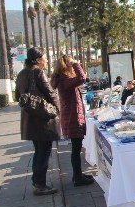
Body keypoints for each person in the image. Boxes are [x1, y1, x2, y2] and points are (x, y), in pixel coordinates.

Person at [14, 47, 60, 196]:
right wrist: (59, 109)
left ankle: (37, 181)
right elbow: (51, 94)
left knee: (38, 151)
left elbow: (17, 96)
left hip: (30, 119)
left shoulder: (21, 74)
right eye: (44, 58)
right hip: (42, 119)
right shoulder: (38, 72)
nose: (46, 61)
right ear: (38, 59)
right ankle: (40, 184)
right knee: (44, 152)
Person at [50, 55, 95, 187]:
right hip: (72, 117)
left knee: (77, 148)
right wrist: (76, 64)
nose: (73, 67)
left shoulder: (63, 79)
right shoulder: (64, 79)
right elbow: (82, 78)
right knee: (76, 149)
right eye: (71, 64)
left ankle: (78, 174)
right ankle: (77, 177)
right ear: (66, 66)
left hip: (72, 116)